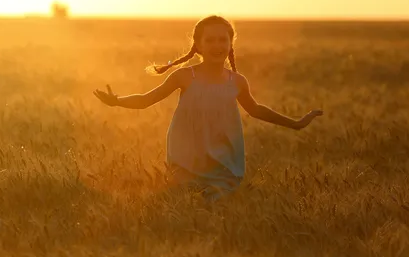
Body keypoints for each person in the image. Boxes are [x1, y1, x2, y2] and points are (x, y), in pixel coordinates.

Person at [93, 15, 323, 200]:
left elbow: (256, 110)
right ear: (199, 46)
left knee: (219, 208)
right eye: (210, 40)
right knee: (183, 203)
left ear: (231, 43)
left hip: (224, 161)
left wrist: (295, 123)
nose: (217, 45)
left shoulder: (237, 81)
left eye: (223, 40)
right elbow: (146, 99)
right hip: (186, 159)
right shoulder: (184, 76)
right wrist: (117, 101)